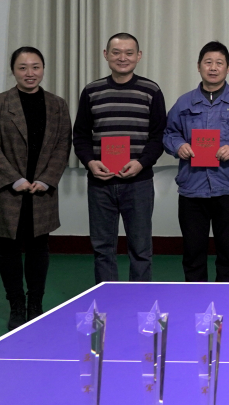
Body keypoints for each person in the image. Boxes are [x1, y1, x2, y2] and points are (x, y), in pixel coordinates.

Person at [0, 47, 72, 330]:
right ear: (13, 71)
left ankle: (36, 303)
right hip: (8, 189)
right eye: (23, 67)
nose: (30, 73)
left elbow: (63, 144)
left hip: (41, 189)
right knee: (9, 248)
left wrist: (47, 179)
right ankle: (16, 304)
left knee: (39, 247)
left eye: (35, 67)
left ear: (43, 69)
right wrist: (13, 179)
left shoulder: (57, 104)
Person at [163, 42, 229, 283]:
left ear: (228, 68)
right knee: (193, 252)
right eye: (208, 62)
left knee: (228, 252)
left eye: (219, 63)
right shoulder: (184, 102)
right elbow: (168, 134)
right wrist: (179, 146)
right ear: (199, 66)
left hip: (228, 186)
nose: (213, 68)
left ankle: (225, 297)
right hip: (192, 187)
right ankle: (196, 297)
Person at [73, 33, 166, 283]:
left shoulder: (151, 90)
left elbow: (159, 136)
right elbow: (80, 135)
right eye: (116, 52)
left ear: (139, 56)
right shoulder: (91, 91)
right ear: (106, 55)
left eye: (128, 53)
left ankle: (139, 298)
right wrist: (90, 162)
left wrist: (141, 163)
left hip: (138, 182)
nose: (122, 58)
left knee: (141, 249)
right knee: (102, 249)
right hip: (101, 183)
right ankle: (108, 298)